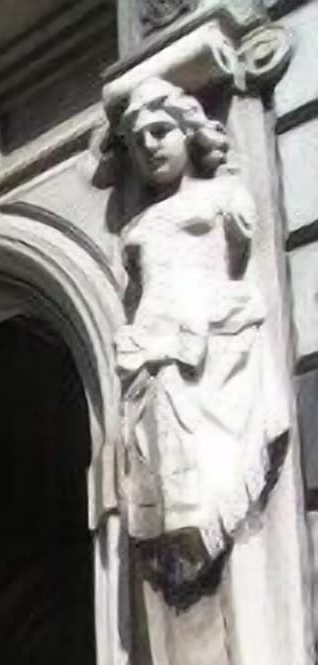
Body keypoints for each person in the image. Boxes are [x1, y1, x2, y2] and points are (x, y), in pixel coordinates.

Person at [107, 78, 283, 596]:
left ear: (190, 132)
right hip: (152, 354)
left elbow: (237, 268)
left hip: (209, 344)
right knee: (162, 472)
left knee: (210, 473)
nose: (150, 146)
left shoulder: (225, 196)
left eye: (161, 131)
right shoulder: (135, 228)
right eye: (138, 141)